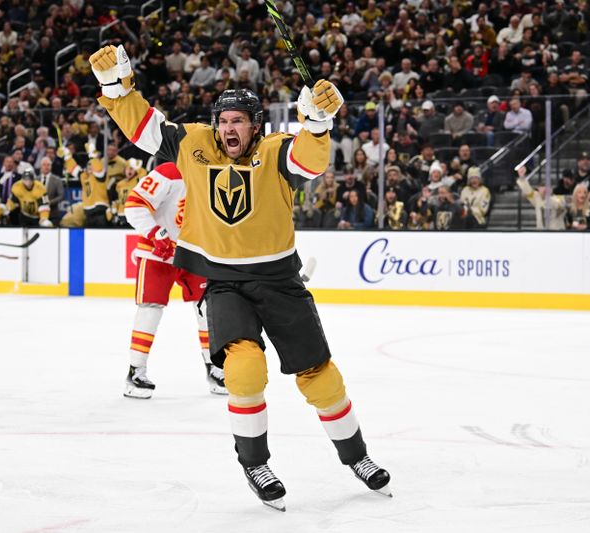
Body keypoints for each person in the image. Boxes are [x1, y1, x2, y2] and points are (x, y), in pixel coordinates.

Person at [92, 44, 390, 510]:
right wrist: (116, 88)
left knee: (322, 379)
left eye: (240, 121)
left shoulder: (274, 152)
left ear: (256, 126)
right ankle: (255, 462)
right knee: (244, 370)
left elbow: (309, 161)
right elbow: (145, 127)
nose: (230, 128)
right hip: (224, 283)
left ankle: (357, 457)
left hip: (280, 282)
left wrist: (315, 123)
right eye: (224, 120)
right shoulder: (194, 145)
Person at [122, 161, 226, 398]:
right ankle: (135, 371)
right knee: (150, 309)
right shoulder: (169, 171)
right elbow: (135, 205)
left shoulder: (216, 172)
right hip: (157, 252)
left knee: (207, 308)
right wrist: (155, 233)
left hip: (194, 251)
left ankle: (214, 367)